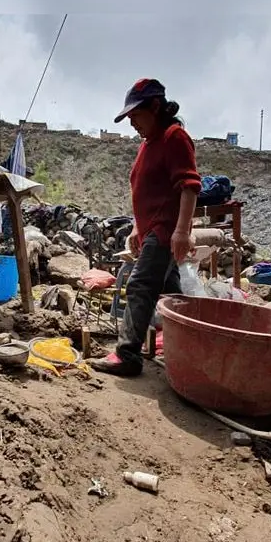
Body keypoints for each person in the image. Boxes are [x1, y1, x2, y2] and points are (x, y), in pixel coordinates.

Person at [89, 78, 200, 377]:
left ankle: (127, 355)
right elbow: (146, 193)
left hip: (164, 231)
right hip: (152, 231)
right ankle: (188, 350)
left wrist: (181, 231)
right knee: (171, 296)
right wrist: (137, 227)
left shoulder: (174, 137)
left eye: (136, 116)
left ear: (155, 107)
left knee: (140, 286)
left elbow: (189, 186)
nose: (132, 123)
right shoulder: (148, 145)